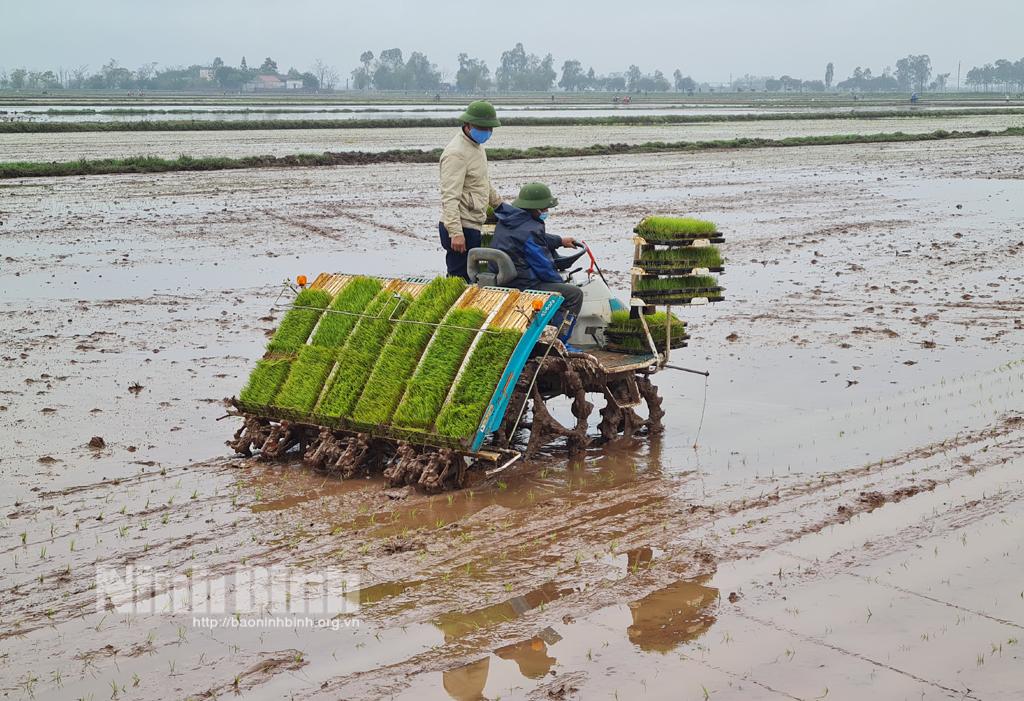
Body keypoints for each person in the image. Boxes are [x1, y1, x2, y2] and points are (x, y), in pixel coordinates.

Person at [491, 183, 583, 350]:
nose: (546, 211)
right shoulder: (531, 228)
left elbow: (532, 238)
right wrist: (560, 281)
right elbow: (544, 267)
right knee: (573, 294)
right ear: (535, 208)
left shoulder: (509, 220)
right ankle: (557, 342)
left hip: (503, 280)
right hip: (524, 283)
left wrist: (560, 241)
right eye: (544, 208)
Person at [438, 100, 503, 281]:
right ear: (468, 125)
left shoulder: (476, 147)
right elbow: (450, 197)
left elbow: (482, 183)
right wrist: (456, 233)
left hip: (472, 224)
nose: (487, 132)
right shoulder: (456, 153)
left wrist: (500, 206)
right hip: (461, 228)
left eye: (490, 128)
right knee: (459, 280)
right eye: (482, 128)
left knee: (471, 278)